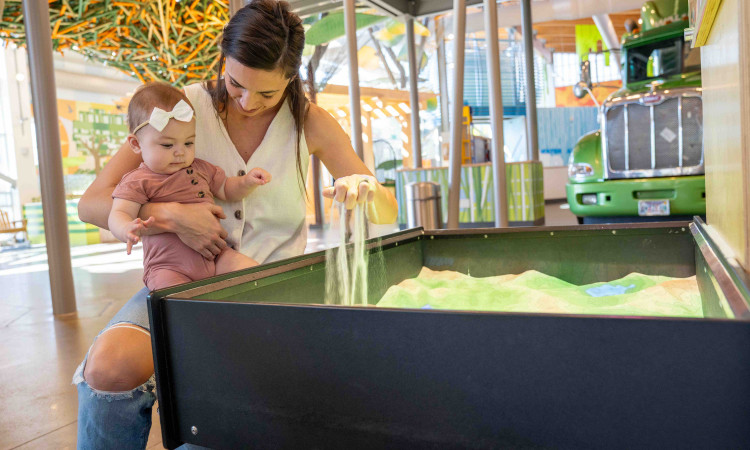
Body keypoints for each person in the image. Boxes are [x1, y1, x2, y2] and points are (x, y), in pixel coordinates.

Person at [73, 0, 398, 447]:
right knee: (109, 367)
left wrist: (365, 189)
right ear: (223, 60)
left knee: (224, 411)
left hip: (269, 288)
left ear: (291, 78)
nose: (247, 102)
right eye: (235, 83)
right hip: (181, 276)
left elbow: (385, 210)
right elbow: (92, 203)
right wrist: (170, 217)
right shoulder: (181, 108)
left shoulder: (310, 121)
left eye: (267, 93)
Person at [110, 82, 270, 290]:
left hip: (216, 257)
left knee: (252, 274)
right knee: (174, 301)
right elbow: (118, 213)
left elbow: (227, 189)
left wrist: (247, 182)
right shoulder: (138, 180)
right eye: (167, 145)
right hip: (168, 267)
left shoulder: (201, 168)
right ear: (136, 144)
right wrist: (125, 229)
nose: (180, 152)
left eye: (188, 143)